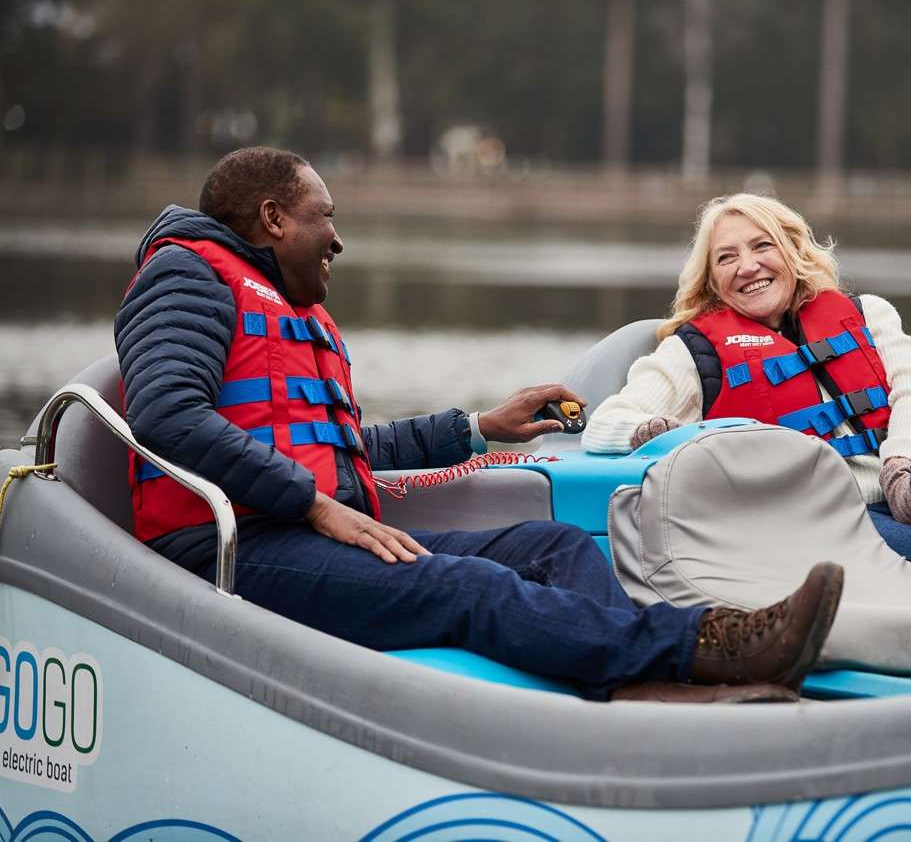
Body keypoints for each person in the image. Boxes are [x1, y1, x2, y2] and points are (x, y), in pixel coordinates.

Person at [115, 147, 845, 704]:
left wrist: (479, 426)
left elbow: (343, 452)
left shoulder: (288, 309)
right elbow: (166, 414)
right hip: (230, 550)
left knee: (551, 546)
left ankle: (635, 687)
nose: (336, 240)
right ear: (273, 218)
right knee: (464, 587)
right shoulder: (187, 275)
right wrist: (314, 506)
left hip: (298, 530)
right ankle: (714, 645)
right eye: (324, 217)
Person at [583, 193, 911, 595]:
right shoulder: (693, 352)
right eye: (726, 258)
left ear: (791, 251)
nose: (748, 266)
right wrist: (664, 433)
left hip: (908, 489)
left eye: (762, 246)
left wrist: (900, 467)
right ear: (711, 281)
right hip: (825, 518)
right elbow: (603, 425)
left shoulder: (869, 314)